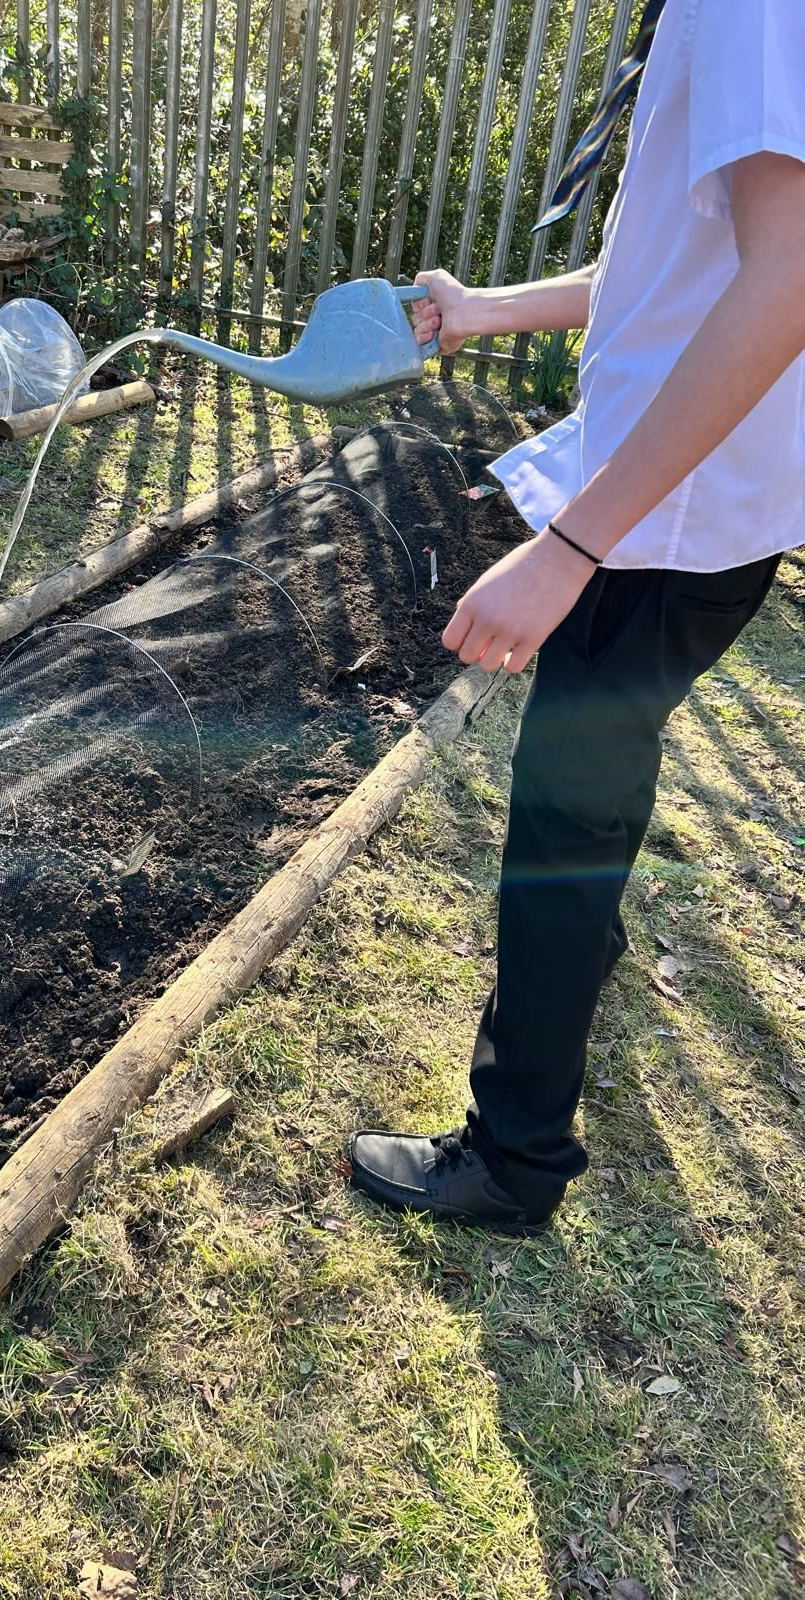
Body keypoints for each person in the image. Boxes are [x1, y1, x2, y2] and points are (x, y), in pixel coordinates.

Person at [346, 0, 805, 1235]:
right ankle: (582, 954)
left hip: (662, 524)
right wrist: (485, 306)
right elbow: (665, 271)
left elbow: (791, 274)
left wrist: (571, 546)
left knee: (561, 812)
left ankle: (514, 1155)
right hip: (693, 509)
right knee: (603, 770)